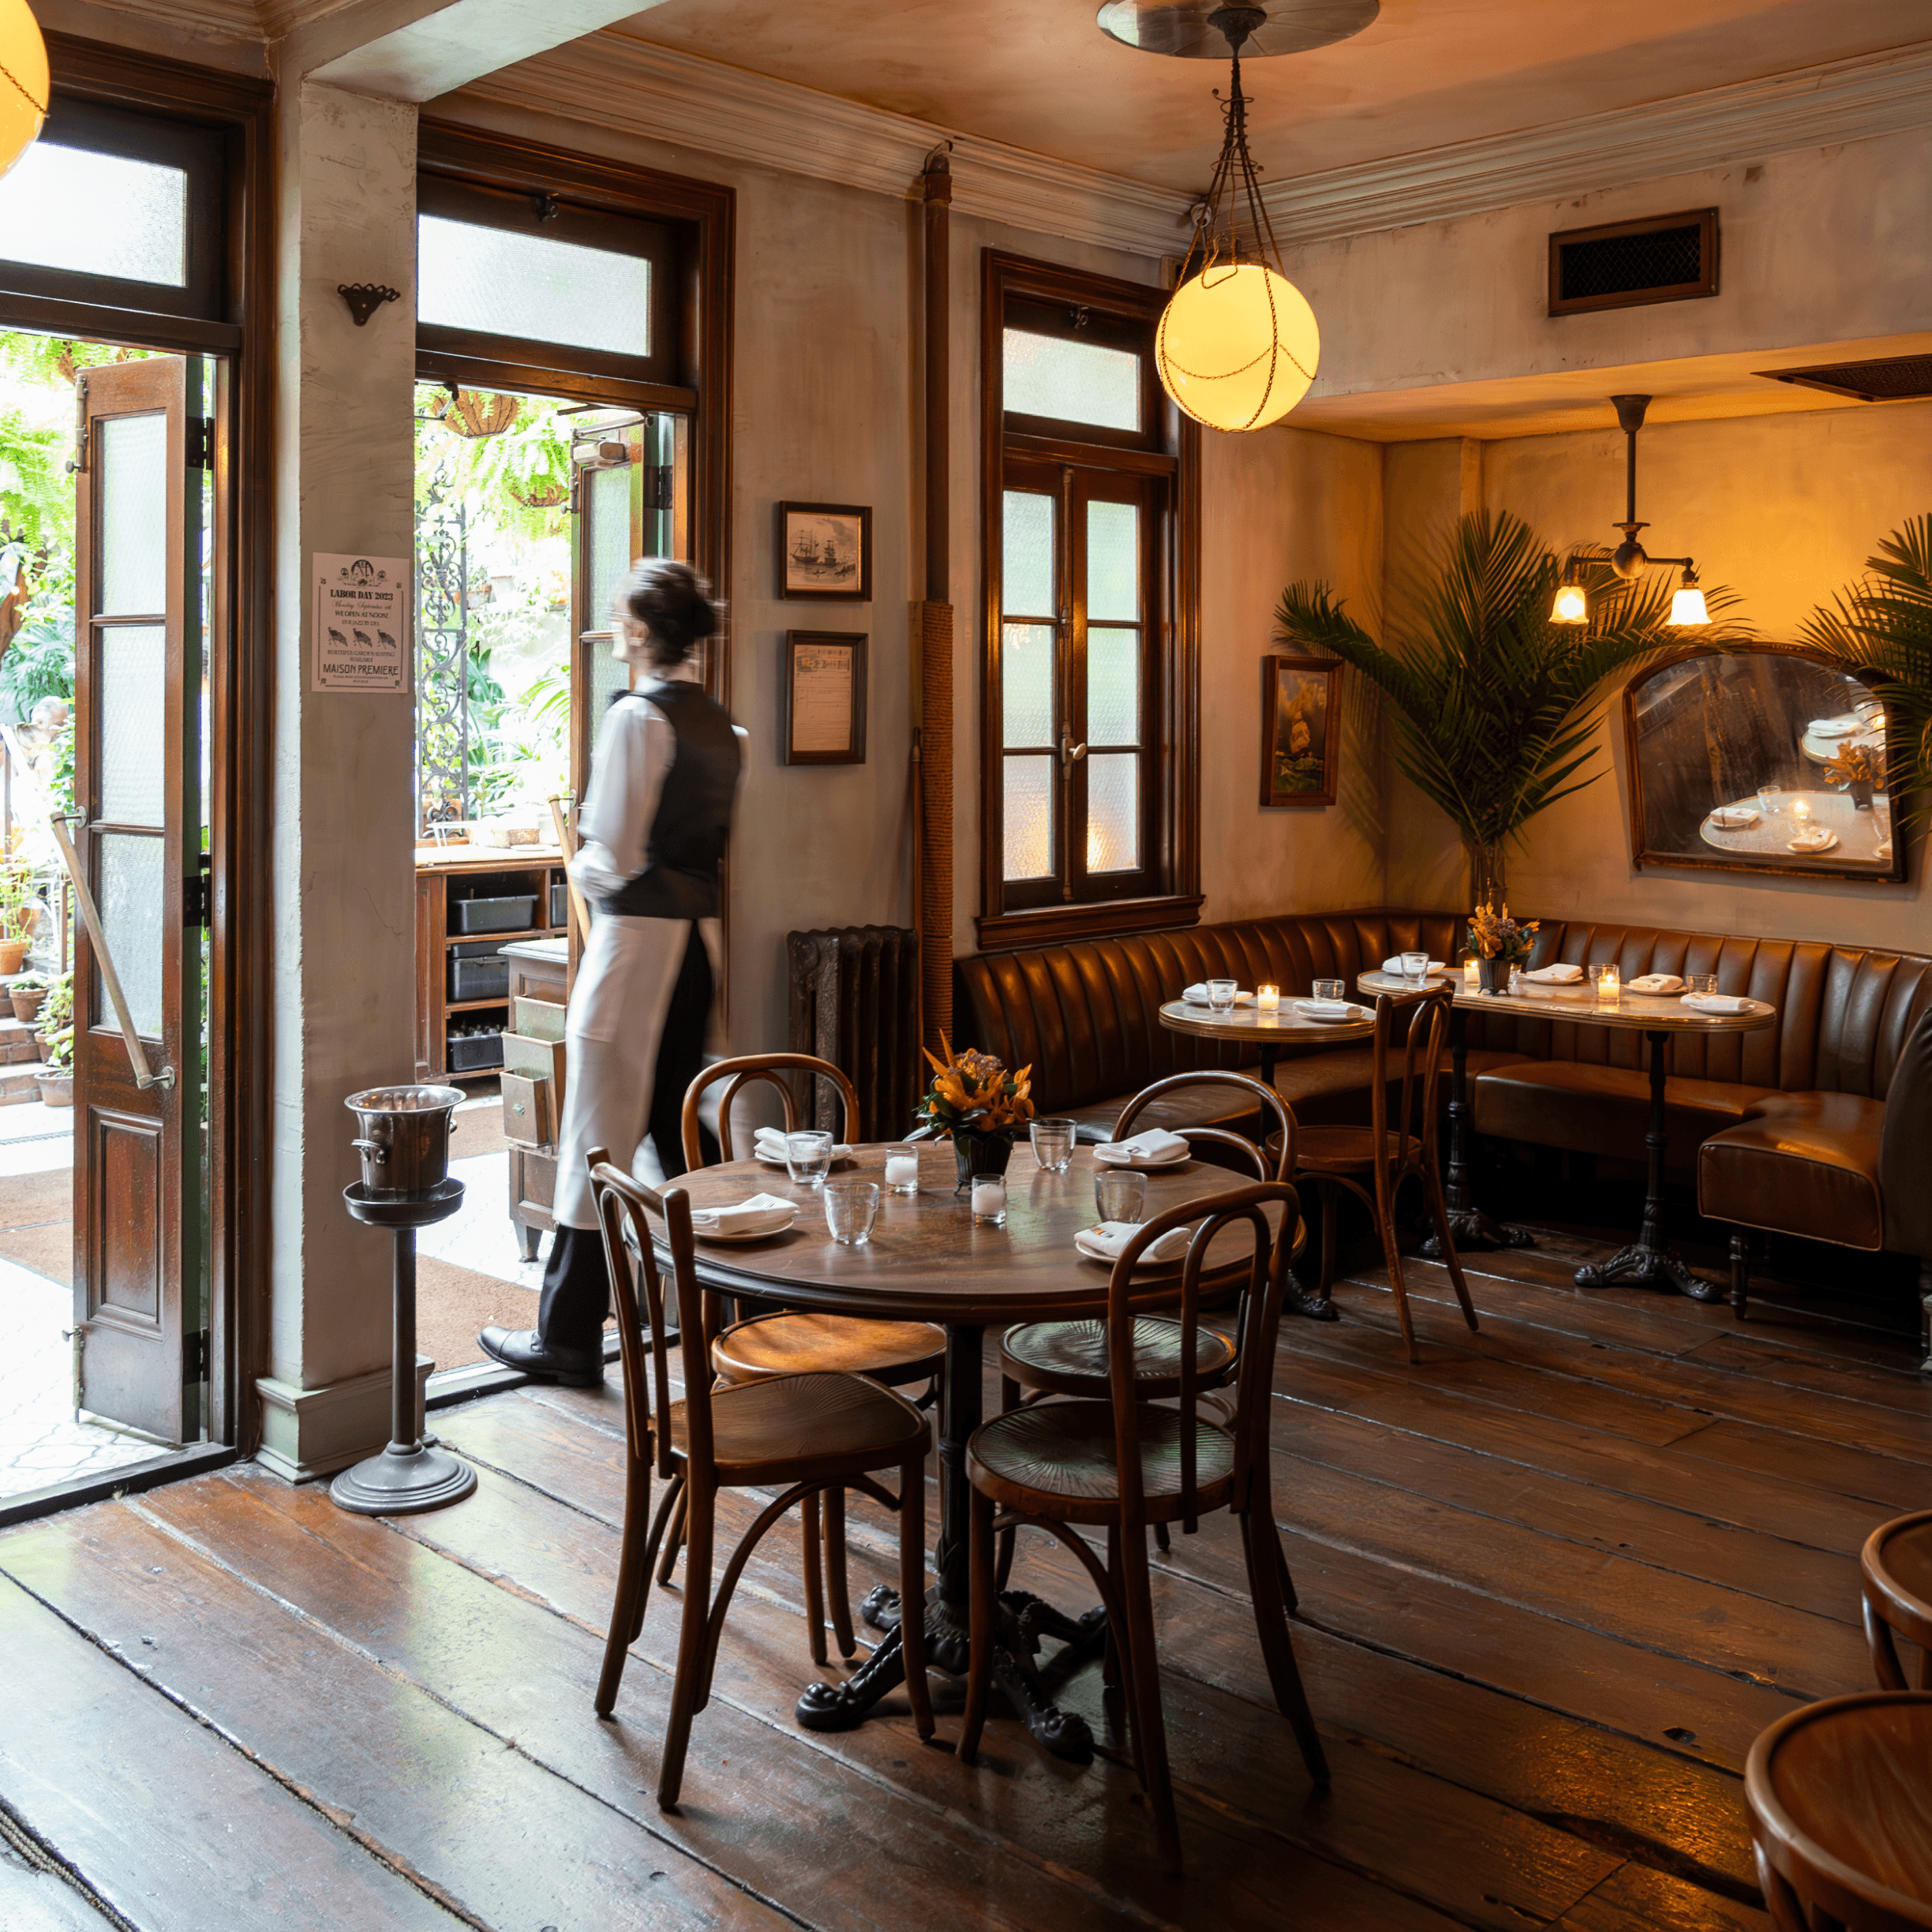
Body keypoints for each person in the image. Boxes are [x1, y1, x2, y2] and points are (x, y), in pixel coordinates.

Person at [480, 560, 742, 1387]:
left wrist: (581, 867)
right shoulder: (726, 730)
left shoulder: (636, 720)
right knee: (679, 1131)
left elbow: (617, 856)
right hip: (698, 948)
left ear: (637, 631)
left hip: (634, 948)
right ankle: (745, 1312)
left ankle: (565, 1337)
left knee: (594, 1137)